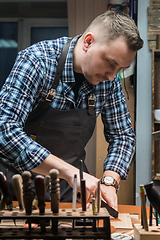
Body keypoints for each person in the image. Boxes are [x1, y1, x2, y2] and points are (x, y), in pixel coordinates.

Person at [0, 10, 143, 211]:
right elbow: (4, 130)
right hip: (13, 191)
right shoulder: (36, 61)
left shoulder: (109, 82)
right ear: (88, 42)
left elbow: (123, 135)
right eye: (111, 63)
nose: (112, 77)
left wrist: (110, 180)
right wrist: (70, 172)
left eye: (121, 69)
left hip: (68, 194)